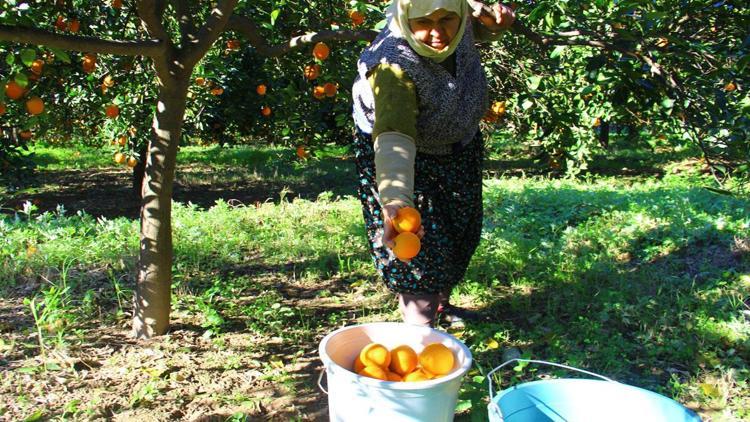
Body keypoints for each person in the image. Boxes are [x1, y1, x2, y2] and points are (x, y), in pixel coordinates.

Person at [351, 0, 515, 326]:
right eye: (424, 22)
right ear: (406, 18)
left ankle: (440, 307)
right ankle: (421, 334)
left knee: (456, 233)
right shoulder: (392, 67)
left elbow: (482, 26)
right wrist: (396, 200)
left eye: (447, 20)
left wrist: (497, 22)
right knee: (417, 251)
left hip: (458, 147)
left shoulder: (461, 18)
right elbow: (394, 138)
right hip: (402, 157)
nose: (437, 33)